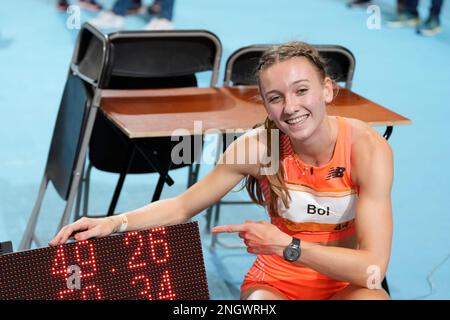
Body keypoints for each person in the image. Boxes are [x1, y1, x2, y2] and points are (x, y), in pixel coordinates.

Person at [49, 41, 393, 300]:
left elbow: (373, 268)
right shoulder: (260, 148)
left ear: (328, 90)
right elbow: (183, 206)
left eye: (302, 91)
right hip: (276, 285)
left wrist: (289, 245)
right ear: (266, 105)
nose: (291, 107)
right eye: (275, 98)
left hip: (347, 283)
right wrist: (114, 223)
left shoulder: (366, 150)